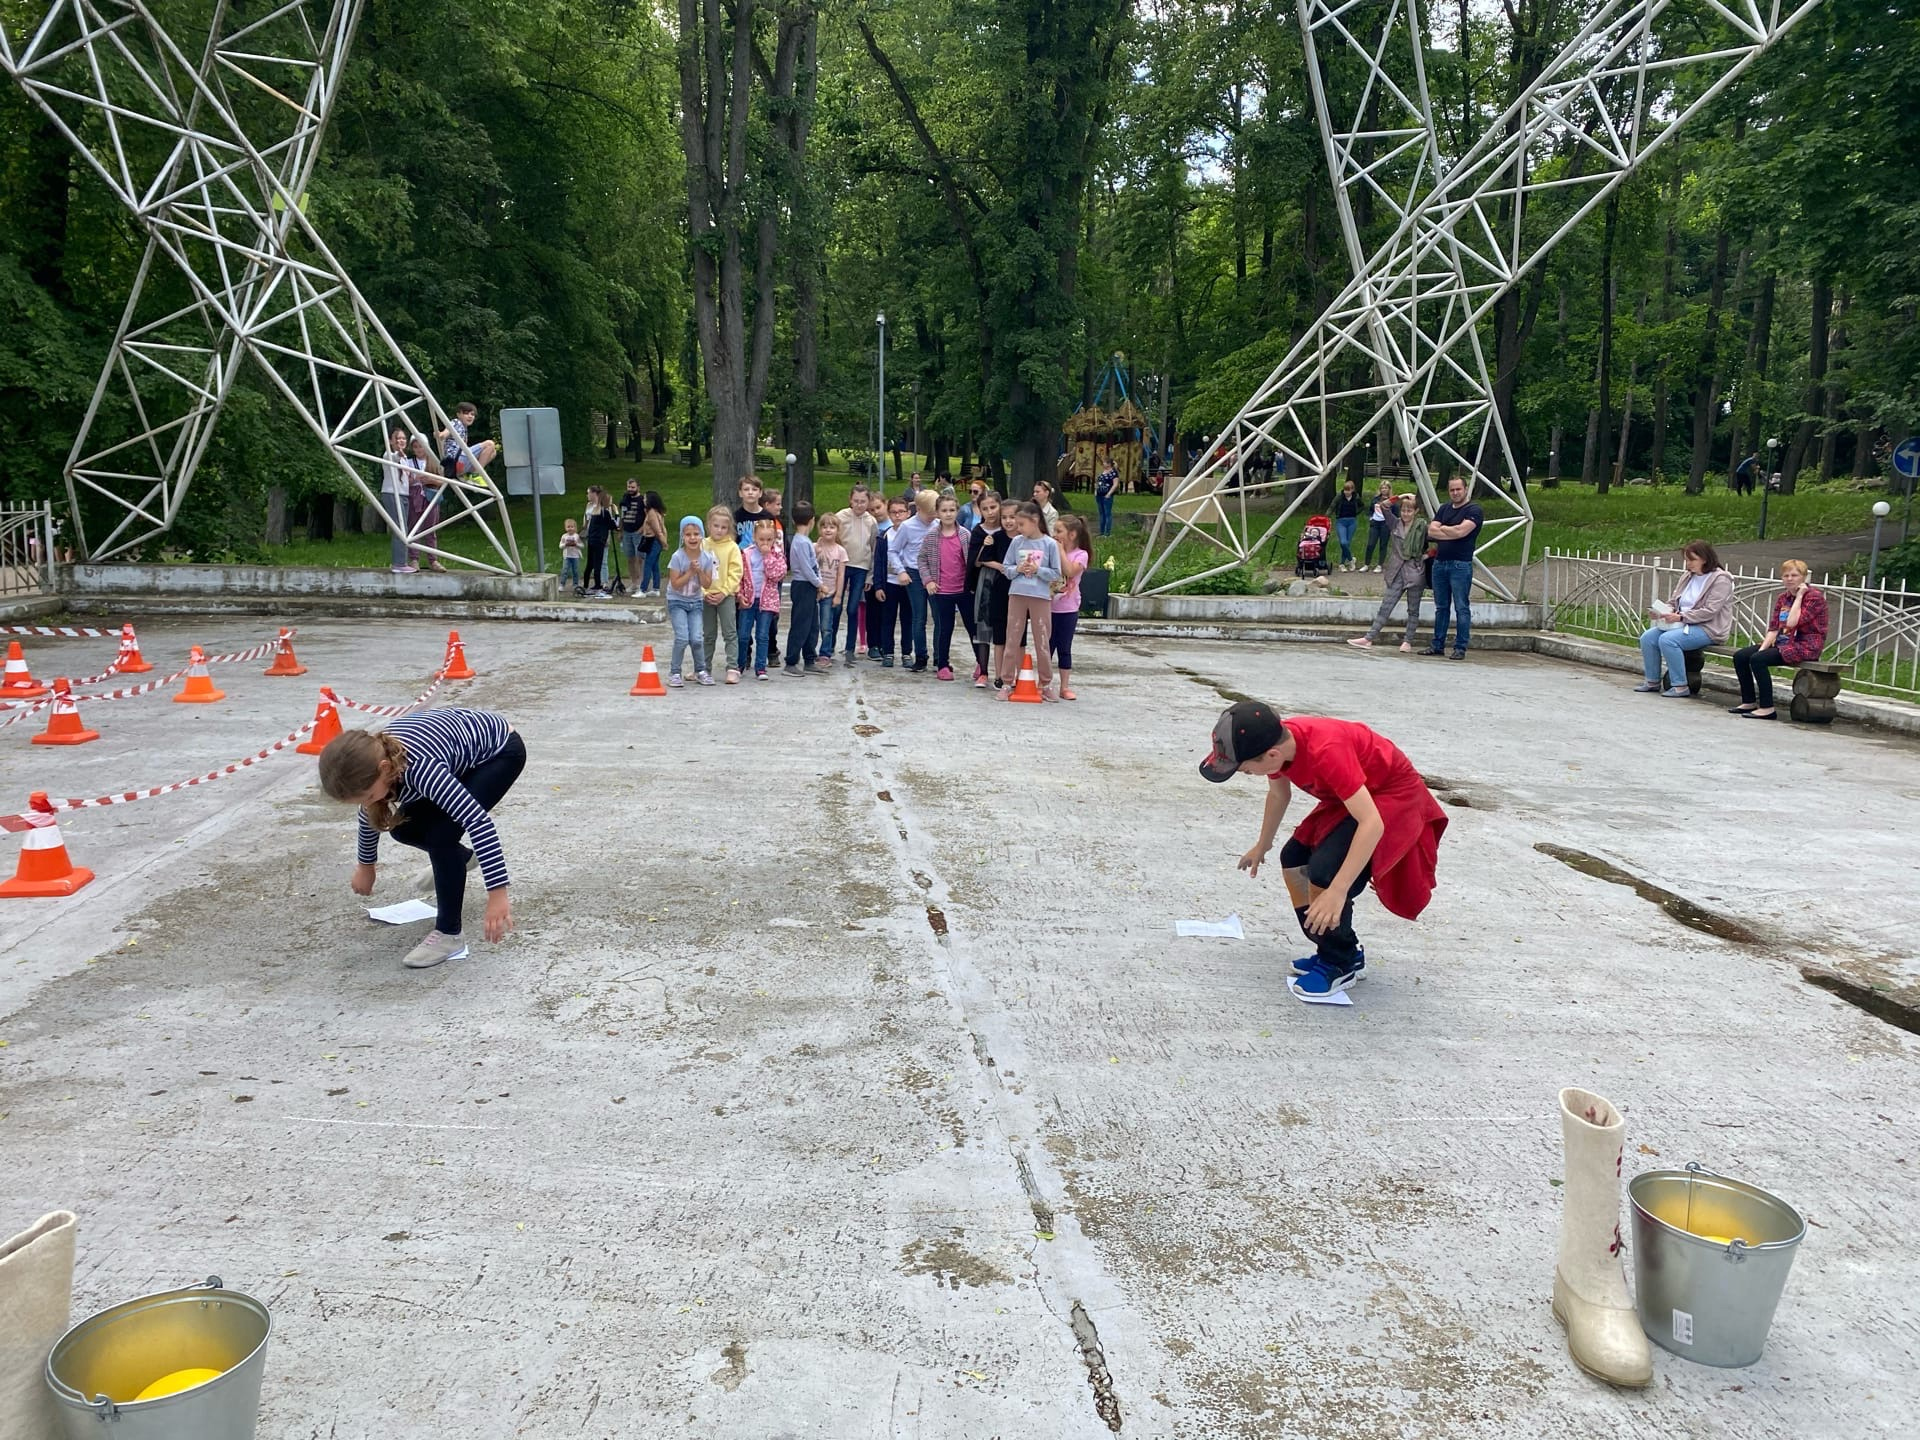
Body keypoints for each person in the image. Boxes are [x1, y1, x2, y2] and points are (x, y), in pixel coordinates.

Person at [1201, 699, 1447, 1003]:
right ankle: (1331, 946)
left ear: (1272, 755)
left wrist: (1338, 890)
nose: (1246, 773)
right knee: (1293, 859)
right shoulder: (1277, 745)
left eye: (1246, 769)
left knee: (1325, 874)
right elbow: (1278, 794)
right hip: (1356, 796)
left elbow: (1371, 823)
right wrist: (1263, 843)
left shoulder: (1327, 751)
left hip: (1390, 798)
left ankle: (1342, 961)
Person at [321, 711, 525, 970]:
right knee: (403, 828)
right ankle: (460, 860)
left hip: (498, 753)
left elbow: (478, 822)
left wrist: (497, 895)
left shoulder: (421, 770)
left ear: (385, 769)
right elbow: (370, 812)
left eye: (369, 795)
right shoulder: (377, 762)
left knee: (441, 837)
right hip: (453, 752)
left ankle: (449, 935)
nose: (366, 803)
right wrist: (366, 866)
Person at [1730, 559, 1828, 720]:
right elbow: (1774, 627)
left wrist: (1799, 596)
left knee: (1758, 660)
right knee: (1741, 656)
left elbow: (1792, 622)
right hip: (1784, 641)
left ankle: (1767, 707)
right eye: (1786, 575)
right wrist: (1763, 648)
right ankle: (1748, 701)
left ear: (1803, 577)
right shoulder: (1783, 597)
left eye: (1794, 575)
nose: (1789, 579)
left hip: (1805, 644)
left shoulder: (1814, 597)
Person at [1634, 541, 1734, 697]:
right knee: (1648, 637)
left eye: (1692, 560)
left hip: (1708, 628)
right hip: (1681, 624)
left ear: (1705, 559)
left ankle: (1680, 685)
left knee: (1668, 640)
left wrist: (1681, 617)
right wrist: (1662, 611)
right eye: (1686, 560)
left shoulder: (1721, 579)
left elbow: (1710, 611)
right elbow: (1674, 601)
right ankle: (1652, 681)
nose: (1688, 564)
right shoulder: (1688, 576)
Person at [1347, 494, 1427, 651]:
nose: (1406, 513)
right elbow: (1383, 506)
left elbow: (1436, 537)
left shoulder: (1422, 526)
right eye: (1404, 510)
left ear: (1416, 511)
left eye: (1409, 510)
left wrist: (1427, 556)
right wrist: (1401, 496)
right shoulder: (1395, 523)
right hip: (1396, 571)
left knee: (1413, 609)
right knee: (1386, 606)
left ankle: (1407, 641)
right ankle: (1369, 638)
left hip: (1415, 571)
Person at [999, 501, 1061, 696]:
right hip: (1017, 593)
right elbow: (1006, 568)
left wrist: (1038, 570)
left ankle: (1046, 683)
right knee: (1012, 638)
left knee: (1042, 639)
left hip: (1040, 596)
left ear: (1034, 521)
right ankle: (1007, 682)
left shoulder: (1049, 544)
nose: (1019, 528)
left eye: (1022, 524)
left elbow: (1056, 573)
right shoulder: (1017, 542)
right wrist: (1017, 569)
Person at [1424, 475, 1482, 659]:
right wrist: (1452, 530)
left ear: (1465, 490)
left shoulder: (1474, 510)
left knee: (1461, 606)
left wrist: (1446, 530)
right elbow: (1431, 531)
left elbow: (1461, 531)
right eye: (1452, 490)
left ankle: (1460, 647)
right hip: (1440, 563)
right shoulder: (1444, 509)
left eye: (1458, 489)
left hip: (1460, 565)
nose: (1455, 493)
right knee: (1441, 606)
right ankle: (1437, 644)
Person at [918, 495, 971, 681]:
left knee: (972, 628)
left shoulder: (965, 535)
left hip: (963, 590)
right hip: (942, 591)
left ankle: (981, 665)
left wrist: (970, 584)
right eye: (944, 510)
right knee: (944, 628)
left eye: (952, 510)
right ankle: (942, 664)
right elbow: (922, 559)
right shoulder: (932, 536)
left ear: (957, 511)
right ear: (937, 513)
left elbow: (971, 562)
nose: (948, 514)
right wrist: (928, 581)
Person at [664, 516, 717, 687]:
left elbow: (707, 583)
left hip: (695, 602)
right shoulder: (677, 557)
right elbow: (676, 584)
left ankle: (701, 670)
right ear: (682, 537)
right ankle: (675, 672)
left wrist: (699, 571)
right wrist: (690, 572)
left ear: (702, 535)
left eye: (696, 534)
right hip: (677, 601)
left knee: (696, 638)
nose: (692, 538)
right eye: (688, 534)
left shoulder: (707, 558)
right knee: (682, 638)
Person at [967, 491, 1010, 689]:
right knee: (983, 625)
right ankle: (983, 671)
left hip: (1007, 580)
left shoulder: (1007, 528)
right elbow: (975, 562)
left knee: (1005, 627)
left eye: (993, 507)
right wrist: (985, 547)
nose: (990, 512)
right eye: (985, 509)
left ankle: (1005, 673)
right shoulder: (979, 531)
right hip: (986, 581)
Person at [736, 518, 787, 680]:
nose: (765, 543)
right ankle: (740, 663)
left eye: (769, 539)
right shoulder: (747, 553)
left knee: (763, 635)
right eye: (761, 539)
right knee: (743, 634)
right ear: (754, 537)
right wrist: (740, 595)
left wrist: (767, 557)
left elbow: (777, 575)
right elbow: (741, 576)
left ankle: (761, 667)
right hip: (749, 599)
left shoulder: (777, 553)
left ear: (774, 538)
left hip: (767, 601)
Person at [893, 490, 937, 672]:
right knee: (919, 618)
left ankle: (940, 657)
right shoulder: (907, 526)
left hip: (935, 574)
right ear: (918, 509)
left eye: (935, 513)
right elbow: (893, 550)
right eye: (929, 514)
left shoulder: (939, 524)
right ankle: (920, 656)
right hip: (915, 574)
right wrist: (901, 571)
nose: (932, 517)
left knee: (939, 617)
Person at [834, 484, 877, 665]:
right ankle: (828, 647)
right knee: (835, 607)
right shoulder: (840, 517)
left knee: (853, 608)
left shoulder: (871, 521)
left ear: (868, 502)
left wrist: (870, 575)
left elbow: (873, 549)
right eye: (856, 501)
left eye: (863, 502)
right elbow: (833, 541)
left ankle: (851, 648)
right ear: (850, 500)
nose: (859, 505)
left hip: (861, 568)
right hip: (842, 567)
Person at [702, 503, 744, 684]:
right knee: (708, 634)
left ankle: (733, 667)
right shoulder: (702, 544)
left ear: (729, 528)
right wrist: (704, 592)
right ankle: (703, 667)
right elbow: (695, 571)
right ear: (709, 525)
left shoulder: (732, 547)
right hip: (705, 596)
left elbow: (736, 572)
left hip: (725, 596)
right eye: (716, 526)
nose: (719, 530)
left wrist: (724, 591)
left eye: (724, 527)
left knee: (730, 632)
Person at [1051, 514, 1090, 700]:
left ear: (1072, 535)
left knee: (1064, 648)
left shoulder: (1081, 555)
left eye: (1059, 531)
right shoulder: (1052, 550)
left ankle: (1064, 686)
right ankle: (1044, 683)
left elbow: (1069, 571)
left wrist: (1060, 550)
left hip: (1068, 608)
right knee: (1046, 647)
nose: (1055, 534)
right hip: (1048, 607)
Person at [783, 501, 823, 676]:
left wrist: (818, 582)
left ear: (793, 520)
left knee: (812, 624)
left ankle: (809, 658)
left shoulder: (804, 541)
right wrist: (819, 583)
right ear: (812, 520)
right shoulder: (801, 542)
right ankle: (791, 661)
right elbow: (807, 568)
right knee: (801, 624)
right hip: (803, 585)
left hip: (809, 585)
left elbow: (813, 565)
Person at [814, 512, 849, 674]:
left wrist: (838, 596)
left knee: (826, 626)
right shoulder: (815, 547)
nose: (828, 530)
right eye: (824, 526)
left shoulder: (840, 551)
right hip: (816, 592)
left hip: (831, 594)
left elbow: (841, 575)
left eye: (832, 527)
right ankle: (811, 651)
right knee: (813, 625)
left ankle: (825, 652)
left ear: (837, 530)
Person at [405, 435, 445, 571]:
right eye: (415, 447)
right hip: (415, 496)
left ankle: (433, 560)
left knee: (430, 528)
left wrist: (431, 480)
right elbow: (405, 481)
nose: (419, 449)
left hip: (431, 496)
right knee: (414, 528)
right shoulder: (409, 462)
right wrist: (415, 478)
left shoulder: (434, 462)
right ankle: (414, 559)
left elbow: (443, 481)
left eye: (421, 446)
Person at [380, 426, 416, 573]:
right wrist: (399, 454)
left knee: (404, 529)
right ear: (390, 440)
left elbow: (407, 478)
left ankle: (401, 562)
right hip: (392, 493)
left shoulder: (405, 459)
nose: (401, 441)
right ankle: (399, 564)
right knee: (400, 529)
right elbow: (395, 457)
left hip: (403, 494)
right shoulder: (388, 455)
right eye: (397, 438)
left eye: (403, 438)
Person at [868, 503, 899, 669]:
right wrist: (877, 583)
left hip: (905, 582)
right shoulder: (883, 535)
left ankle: (907, 652)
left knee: (908, 619)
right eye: (894, 512)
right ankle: (885, 650)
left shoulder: (907, 532)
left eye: (901, 511)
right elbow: (878, 561)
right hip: (886, 581)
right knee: (884, 618)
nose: (898, 515)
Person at [437, 402, 498, 477]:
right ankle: (476, 475)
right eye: (466, 413)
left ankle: (469, 475)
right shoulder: (456, 422)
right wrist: (440, 435)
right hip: (455, 459)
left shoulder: (465, 430)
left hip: (461, 463)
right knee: (490, 444)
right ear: (458, 414)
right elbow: (445, 433)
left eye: (472, 414)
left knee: (493, 452)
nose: (470, 416)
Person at [581, 486, 616, 597]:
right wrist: (617, 514)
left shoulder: (600, 510)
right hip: (597, 538)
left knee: (593, 563)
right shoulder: (602, 511)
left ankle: (593, 584)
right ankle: (596, 585)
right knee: (597, 563)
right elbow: (612, 525)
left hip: (595, 538)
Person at [617, 479, 647, 593]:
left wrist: (642, 529)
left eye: (633, 487)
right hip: (627, 532)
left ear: (638, 487)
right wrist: (620, 530)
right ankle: (634, 582)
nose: (630, 489)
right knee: (630, 558)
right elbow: (622, 515)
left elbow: (648, 516)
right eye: (629, 487)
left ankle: (641, 582)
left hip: (638, 532)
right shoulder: (625, 499)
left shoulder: (642, 500)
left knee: (639, 558)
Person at [1362, 479, 1395, 572]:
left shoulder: (1392, 501)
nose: (1384, 490)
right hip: (1375, 523)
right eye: (1382, 488)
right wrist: (1371, 518)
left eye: (1386, 488)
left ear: (1389, 489)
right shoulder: (1376, 499)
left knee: (1383, 544)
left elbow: (1395, 513)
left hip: (1385, 524)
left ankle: (1380, 565)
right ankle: (1366, 564)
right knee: (1370, 544)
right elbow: (1371, 509)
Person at [639, 491, 668, 595]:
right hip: (656, 541)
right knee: (655, 565)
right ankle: (656, 588)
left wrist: (664, 543)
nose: (643, 500)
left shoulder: (651, 513)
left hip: (654, 541)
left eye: (645, 498)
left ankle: (643, 589)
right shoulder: (655, 511)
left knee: (648, 564)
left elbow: (657, 530)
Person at [1332, 477, 1362, 571]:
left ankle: (1341, 564)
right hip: (1341, 521)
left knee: (1347, 543)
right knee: (1343, 542)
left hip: (1352, 521)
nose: (1346, 492)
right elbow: (1332, 506)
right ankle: (1350, 560)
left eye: (1348, 490)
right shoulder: (1339, 496)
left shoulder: (1356, 497)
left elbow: (1362, 506)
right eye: (1345, 490)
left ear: (1352, 490)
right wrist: (1325, 516)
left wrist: (1356, 512)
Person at [733, 475, 768, 546]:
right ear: (740, 493)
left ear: (760, 493)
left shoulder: (768, 517)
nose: (750, 492)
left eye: (754, 489)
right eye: (746, 489)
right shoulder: (734, 517)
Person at [1094, 454, 1120, 537]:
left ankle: (1107, 533)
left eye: (1105, 462)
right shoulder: (1102, 472)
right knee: (1101, 514)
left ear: (1109, 464)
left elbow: (1115, 484)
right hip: (1099, 494)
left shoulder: (1113, 473)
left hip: (1107, 495)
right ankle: (1101, 532)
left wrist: (1109, 494)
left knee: (1107, 513)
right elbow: (1098, 482)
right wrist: (1096, 490)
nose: (1103, 464)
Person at [558, 519, 583, 592]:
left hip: (575, 556)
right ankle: (562, 584)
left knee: (575, 571)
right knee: (565, 570)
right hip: (567, 556)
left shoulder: (577, 536)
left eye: (572, 527)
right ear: (565, 528)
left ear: (575, 528)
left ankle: (575, 584)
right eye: (568, 527)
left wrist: (576, 544)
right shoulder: (564, 536)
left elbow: (582, 545)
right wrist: (565, 544)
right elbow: (560, 546)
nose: (570, 528)